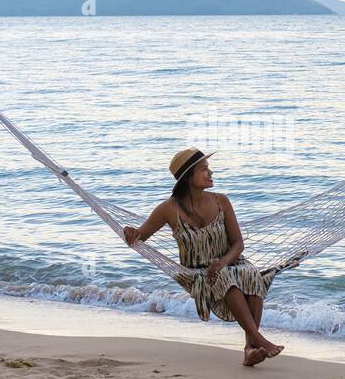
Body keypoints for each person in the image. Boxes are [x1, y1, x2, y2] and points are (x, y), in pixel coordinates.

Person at [122, 148, 285, 367]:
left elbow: (238, 243)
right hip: (196, 272)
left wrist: (224, 261)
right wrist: (131, 232)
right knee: (224, 277)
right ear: (188, 177)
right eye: (203, 169)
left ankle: (250, 349)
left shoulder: (221, 202)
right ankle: (258, 339)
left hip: (229, 261)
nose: (210, 173)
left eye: (208, 168)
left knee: (253, 274)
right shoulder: (168, 209)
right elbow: (141, 235)